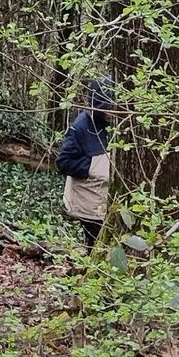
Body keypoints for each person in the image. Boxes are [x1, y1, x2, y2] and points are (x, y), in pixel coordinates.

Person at [56, 80, 114, 247]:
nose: (111, 111)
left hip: (104, 200)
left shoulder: (115, 125)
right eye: (107, 107)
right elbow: (64, 162)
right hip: (87, 202)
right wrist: (94, 167)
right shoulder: (82, 126)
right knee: (97, 244)